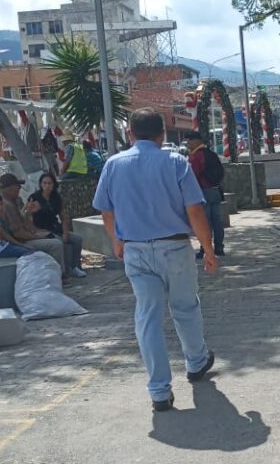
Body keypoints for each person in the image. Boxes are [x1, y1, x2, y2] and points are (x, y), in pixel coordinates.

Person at [92, 108, 217, 411]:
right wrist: (208, 249)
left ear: (130, 135)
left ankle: (159, 391)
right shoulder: (175, 162)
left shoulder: (113, 165)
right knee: (185, 307)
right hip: (174, 248)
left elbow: (106, 211)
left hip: (135, 250)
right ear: (162, 135)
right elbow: (194, 210)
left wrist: (116, 242)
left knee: (147, 318)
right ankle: (196, 361)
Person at [0, 173, 67, 273]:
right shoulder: (8, 205)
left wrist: (27, 213)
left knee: (57, 237)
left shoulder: (14, 201)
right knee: (56, 244)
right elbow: (18, 233)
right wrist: (38, 237)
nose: (19, 188)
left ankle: (67, 270)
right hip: (20, 242)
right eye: (17, 186)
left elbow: (25, 223)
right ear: (10, 189)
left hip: (26, 236)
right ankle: (60, 275)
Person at [28, 172, 87, 277]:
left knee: (77, 239)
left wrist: (65, 232)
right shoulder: (34, 197)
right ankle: (62, 272)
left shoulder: (56, 197)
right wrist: (36, 231)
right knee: (58, 243)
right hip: (42, 229)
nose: (47, 186)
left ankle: (75, 267)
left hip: (55, 227)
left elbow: (64, 216)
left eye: (49, 183)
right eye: (44, 183)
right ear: (41, 184)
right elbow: (28, 218)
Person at [185, 131, 226, 257]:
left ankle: (204, 249)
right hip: (215, 191)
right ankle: (219, 248)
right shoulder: (212, 154)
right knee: (218, 221)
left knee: (205, 222)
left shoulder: (196, 156)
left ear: (196, 141)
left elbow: (193, 176)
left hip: (203, 192)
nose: (187, 144)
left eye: (189, 141)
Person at [0, 192, 34, 258]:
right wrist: (22, 245)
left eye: (1, 204)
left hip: (1, 248)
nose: (0, 207)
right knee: (32, 253)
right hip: (3, 249)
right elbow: (5, 235)